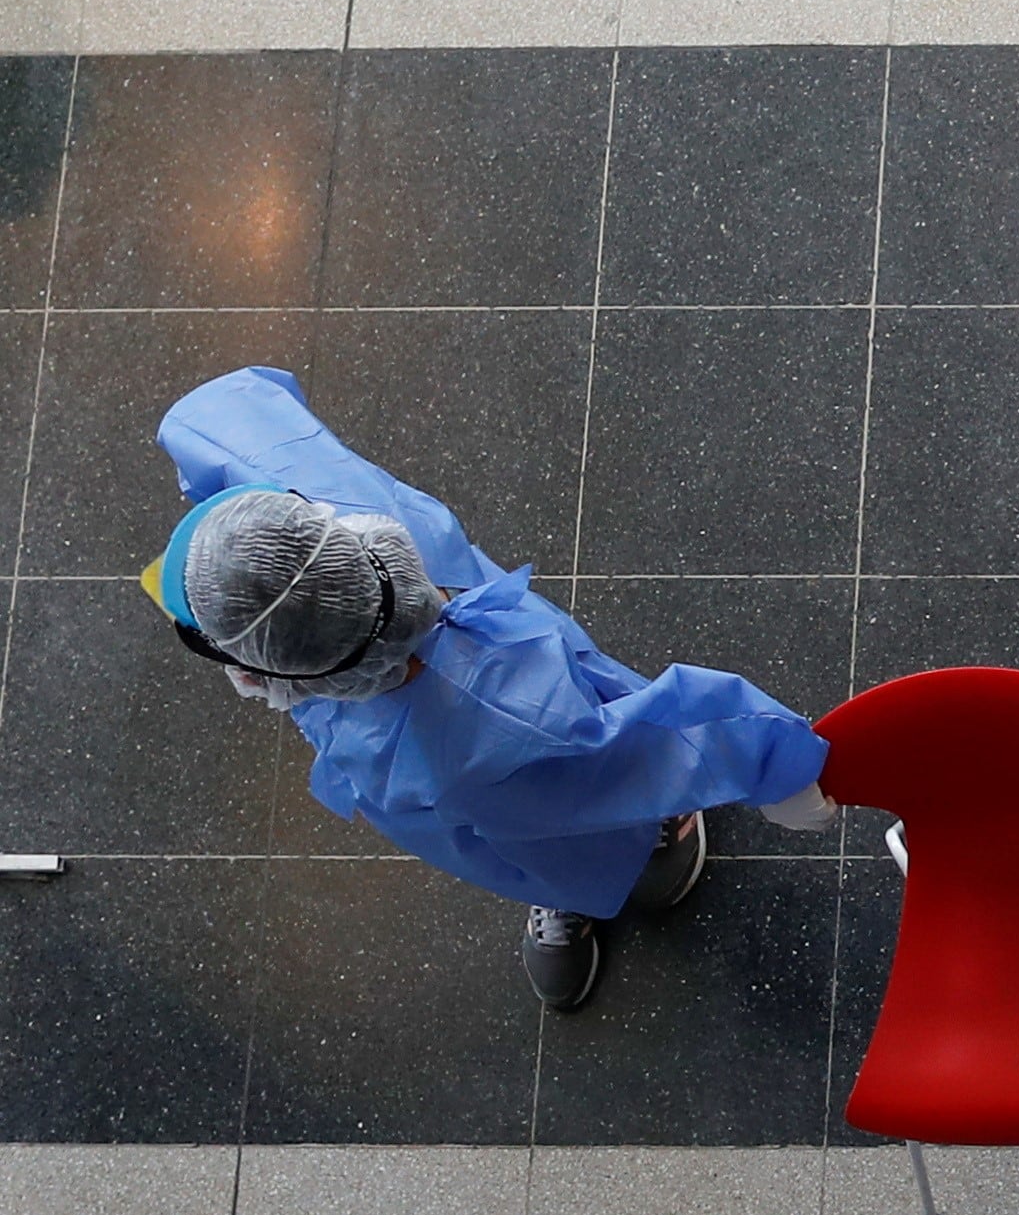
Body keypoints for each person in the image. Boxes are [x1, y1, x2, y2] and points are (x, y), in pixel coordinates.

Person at [151, 367, 837, 1012]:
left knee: (589, 794)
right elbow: (233, 425)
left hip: (513, 744)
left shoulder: (502, 721)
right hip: (478, 747)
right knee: (537, 831)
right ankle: (579, 876)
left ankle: (658, 828)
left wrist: (781, 772)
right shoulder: (325, 514)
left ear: (273, 673)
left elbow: (669, 730)